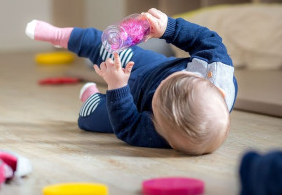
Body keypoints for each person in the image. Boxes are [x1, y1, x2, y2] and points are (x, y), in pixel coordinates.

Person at [25, 8, 238, 155]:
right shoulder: (216, 68)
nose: (156, 93)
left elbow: (127, 126)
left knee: (88, 117)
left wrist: (117, 87)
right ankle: (59, 35)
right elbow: (207, 39)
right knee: (107, 46)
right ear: (219, 92)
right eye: (167, 84)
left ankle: (95, 98)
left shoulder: (163, 135)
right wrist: (169, 28)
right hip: (152, 68)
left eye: (156, 110)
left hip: (131, 102)